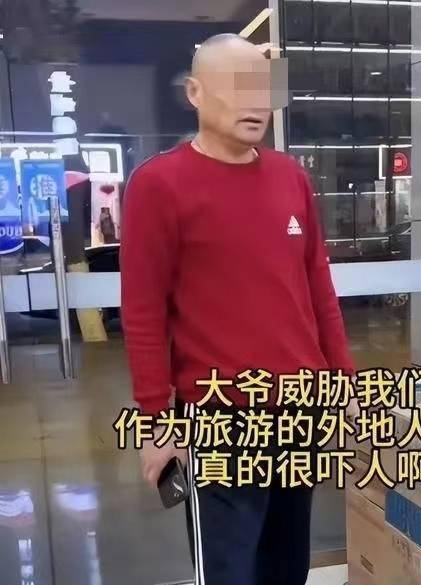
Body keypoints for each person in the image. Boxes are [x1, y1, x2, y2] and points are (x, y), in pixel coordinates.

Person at [120, 34, 355, 585]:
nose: (256, 103)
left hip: (299, 410)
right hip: (221, 416)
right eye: (237, 86)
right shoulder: (158, 185)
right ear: (195, 93)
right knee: (230, 571)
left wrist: (343, 383)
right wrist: (157, 421)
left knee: (286, 567)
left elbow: (318, 290)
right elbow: (144, 313)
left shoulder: (291, 178)